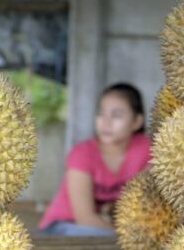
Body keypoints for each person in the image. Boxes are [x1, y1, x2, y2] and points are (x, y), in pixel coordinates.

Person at [39, 83, 150, 236]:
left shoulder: (147, 149)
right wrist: (130, 238)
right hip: (61, 227)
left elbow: (149, 202)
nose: (106, 122)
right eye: (101, 113)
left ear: (137, 121)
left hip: (109, 230)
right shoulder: (82, 153)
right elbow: (84, 218)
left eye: (116, 115)